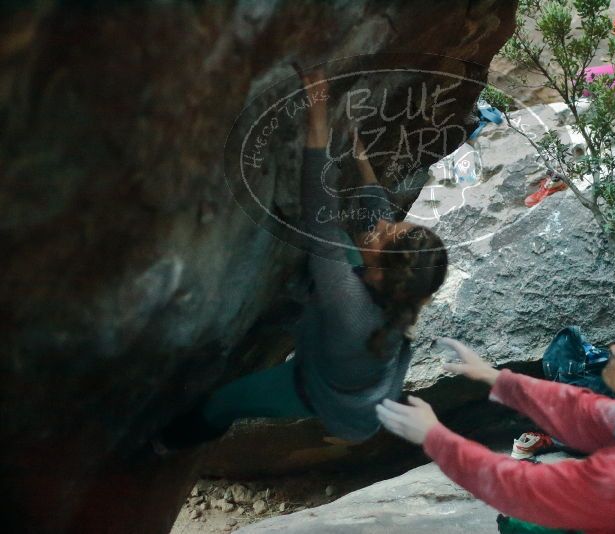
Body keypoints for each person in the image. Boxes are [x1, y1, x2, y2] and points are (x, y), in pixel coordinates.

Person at [156, 68, 448, 449]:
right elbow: (378, 215)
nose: (380, 224)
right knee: (345, 239)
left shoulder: (350, 306)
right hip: (348, 357)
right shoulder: (398, 286)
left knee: (224, 402)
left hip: (312, 386)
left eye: (382, 236)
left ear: (377, 272)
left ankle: (164, 445)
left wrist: (318, 115)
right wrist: (361, 159)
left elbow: (319, 218)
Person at [376, 310, 615, 534]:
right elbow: (584, 411)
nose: (613, 348)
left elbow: (519, 487)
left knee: (519, 524)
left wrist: (435, 437)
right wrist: (496, 379)